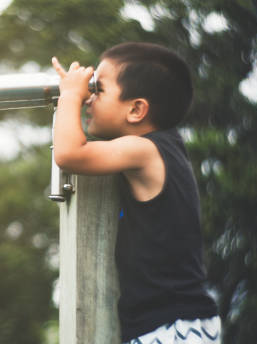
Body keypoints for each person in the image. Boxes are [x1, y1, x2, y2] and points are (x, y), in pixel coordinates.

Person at [51, 42, 220, 344]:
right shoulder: (163, 148)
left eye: (98, 90)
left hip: (173, 327)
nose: (88, 98)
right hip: (175, 324)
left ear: (136, 109)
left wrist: (69, 95)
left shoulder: (144, 150)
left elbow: (68, 153)